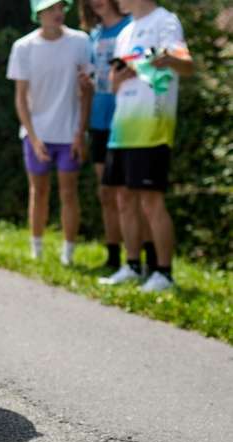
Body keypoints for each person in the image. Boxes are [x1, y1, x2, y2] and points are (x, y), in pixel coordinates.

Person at [97, 0, 194, 292]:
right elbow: (113, 83)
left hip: (153, 127)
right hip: (121, 128)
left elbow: (187, 65)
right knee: (123, 200)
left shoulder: (166, 21)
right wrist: (120, 76)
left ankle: (164, 273)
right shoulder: (127, 32)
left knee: (151, 201)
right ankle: (133, 265)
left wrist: (166, 59)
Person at [7, 0, 92, 266]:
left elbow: (87, 91)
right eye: (52, 8)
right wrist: (33, 137)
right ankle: (37, 250)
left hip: (70, 133)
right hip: (36, 135)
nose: (58, 13)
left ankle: (68, 255)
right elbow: (21, 98)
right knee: (38, 191)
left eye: (61, 8)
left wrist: (80, 132)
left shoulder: (81, 41)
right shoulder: (23, 47)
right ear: (39, 13)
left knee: (69, 192)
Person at [79, 0, 132, 271]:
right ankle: (113, 258)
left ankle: (144, 260)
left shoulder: (130, 27)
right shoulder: (93, 36)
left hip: (125, 121)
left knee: (130, 195)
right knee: (106, 193)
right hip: (98, 124)